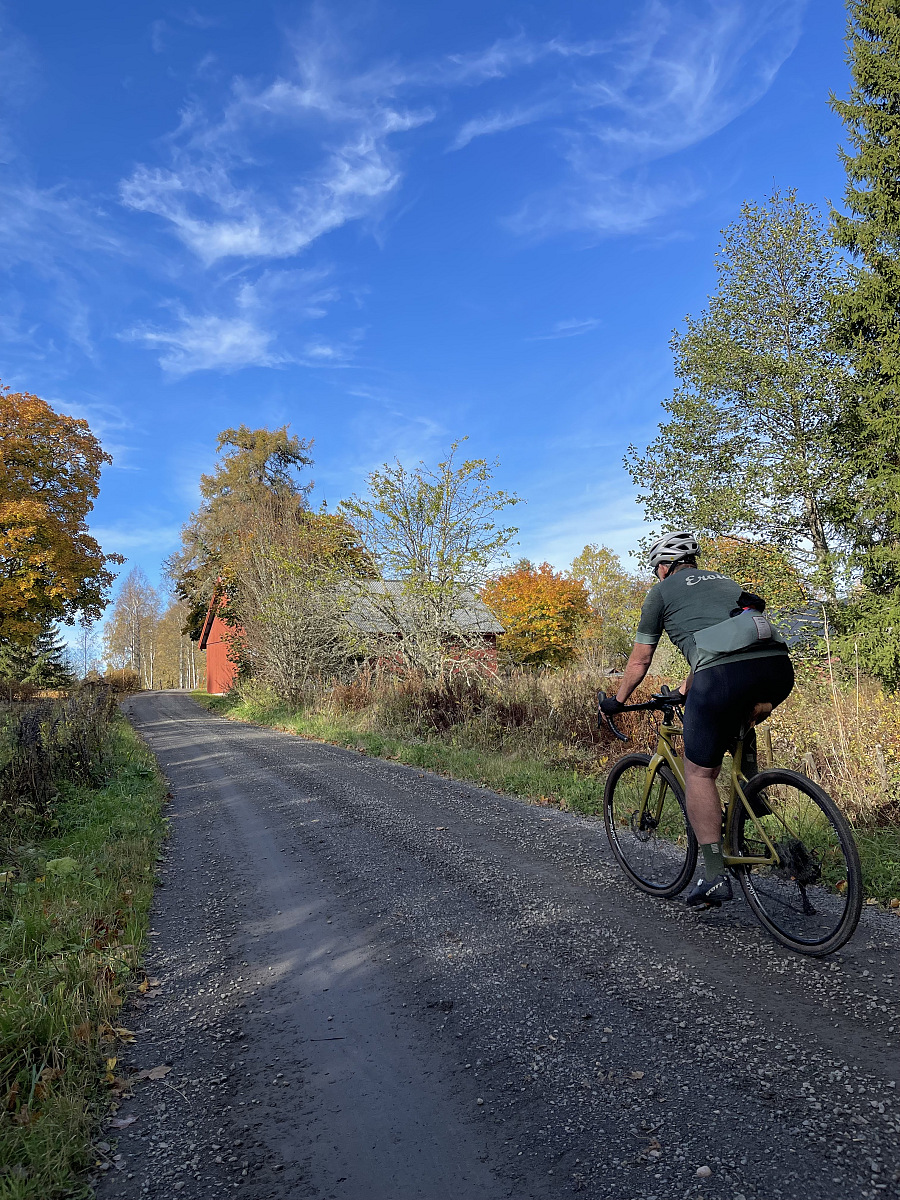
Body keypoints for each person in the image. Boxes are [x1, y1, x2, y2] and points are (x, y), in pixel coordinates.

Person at [599, 532, 794, 907]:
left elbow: (640, 661)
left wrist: (617, 701)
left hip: (722, 676)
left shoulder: (660, 593)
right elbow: (723, 639)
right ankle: (750, 801)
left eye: (657, 568)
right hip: (778, 671)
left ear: (664, 566)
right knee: (738, 722)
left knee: (699, 773)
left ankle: (715, 875)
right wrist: (692, 683)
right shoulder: (726, 581)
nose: (657, 574)